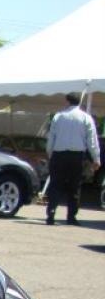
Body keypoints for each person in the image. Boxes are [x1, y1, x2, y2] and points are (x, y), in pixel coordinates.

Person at [45, 92, 101, 225]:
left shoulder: (58, 117)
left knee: (55, 185)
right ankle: (71, 216)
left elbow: (51, 138)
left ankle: (51, 213)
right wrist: (96, 158)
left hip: (59, 155)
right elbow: (92, 140)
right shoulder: (85, 118)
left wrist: (50, 154)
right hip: (76, 156)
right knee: (74, 186)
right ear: (79, 102)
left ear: (67, 101)